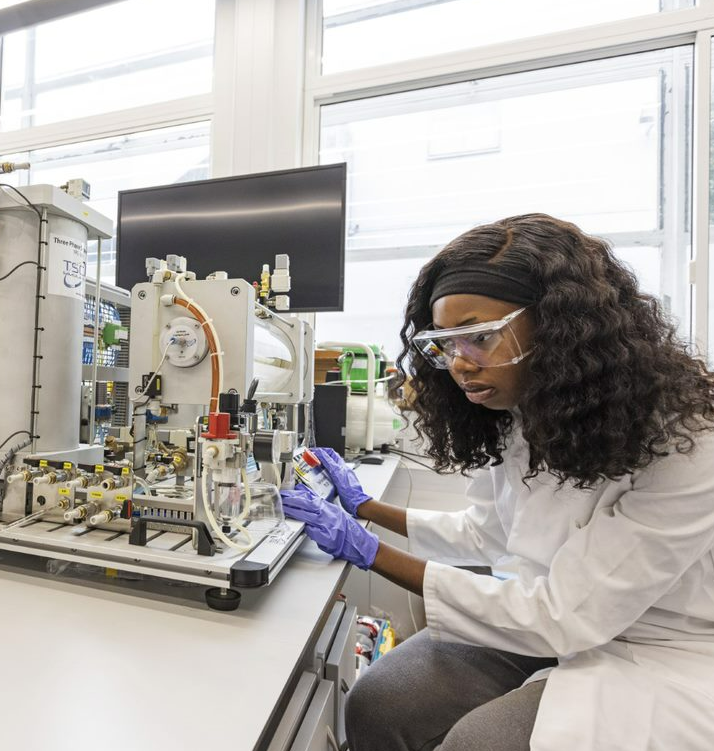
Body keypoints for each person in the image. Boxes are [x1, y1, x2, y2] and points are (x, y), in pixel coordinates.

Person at [281, 213, 714, 751]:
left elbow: (563, 614)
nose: (461, 366)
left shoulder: (689, 441)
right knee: (379, 702)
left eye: (480, 338)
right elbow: (487, 533)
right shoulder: (525, 412)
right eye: (447, 345)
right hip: (544, 618)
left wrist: (369, 553)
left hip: (658, 646)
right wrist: (366, 509)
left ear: (560, 326)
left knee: (479, 743)